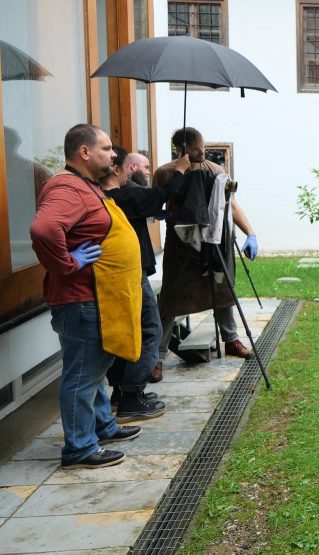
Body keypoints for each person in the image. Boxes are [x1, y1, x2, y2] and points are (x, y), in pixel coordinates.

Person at [29, 124, 144, 469]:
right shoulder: (66, 186)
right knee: (81, 375)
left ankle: (101, 426)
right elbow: (44, 229)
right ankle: (79, 448)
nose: (113, 155)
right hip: (81, 299)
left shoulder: (85, 186)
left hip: (95, 297)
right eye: (107, 149)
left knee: (93, 370)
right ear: (84, 152)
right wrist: (68, 262)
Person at [152, 127, 259, 381]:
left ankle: (231, 339)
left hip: (214, 240)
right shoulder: (165, 173)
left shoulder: (216, 171)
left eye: (204, 146)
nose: (203, 151)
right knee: (171, 298)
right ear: (182, 149)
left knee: (222, 287)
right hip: (181, 243)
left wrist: (250, 233)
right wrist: (160, 213)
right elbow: (154, 203)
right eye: (197, 147)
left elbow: (230, 205)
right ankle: (156, 357)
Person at [100, 146, 190, 421]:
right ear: (120, 168)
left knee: (123, 331)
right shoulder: (126, 194)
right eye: (143, 167)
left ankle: (121, 392)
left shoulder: (99, 195)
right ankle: (132, 397)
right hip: (130, 275)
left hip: (114, 275)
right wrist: (181, 169)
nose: (147, 172)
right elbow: (161, 194)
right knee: (149, 329)